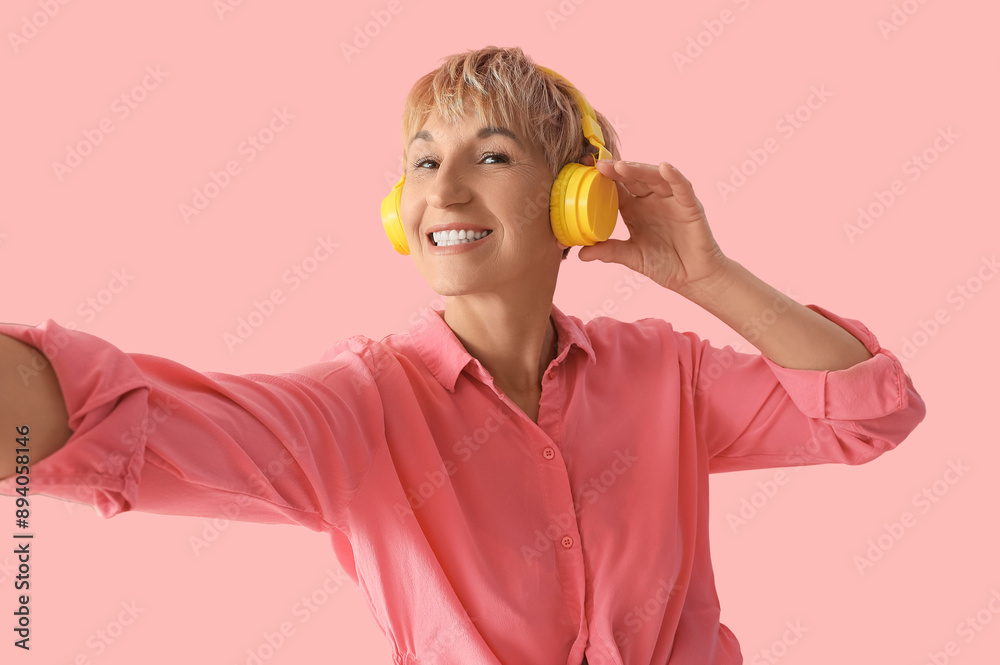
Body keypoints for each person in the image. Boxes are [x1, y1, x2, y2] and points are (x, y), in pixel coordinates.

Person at [0, 46, 925, 665]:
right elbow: (136, 421)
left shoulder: (664, 372)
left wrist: (706, 274)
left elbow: (868, 410)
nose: (441, 188)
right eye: (421, 161)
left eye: (490, 157)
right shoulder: (362, 403)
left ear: (574, 200)